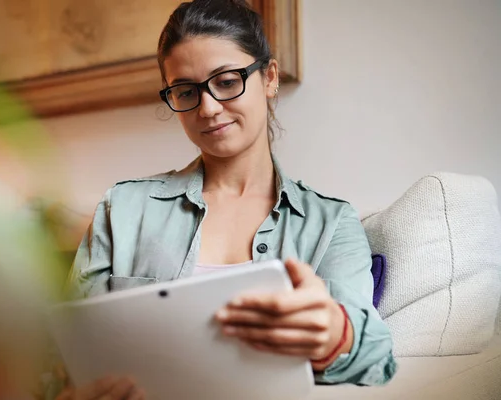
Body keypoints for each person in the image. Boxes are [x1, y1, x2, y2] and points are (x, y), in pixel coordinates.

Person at [52, 0, 397, 398]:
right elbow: (63, 354)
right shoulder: (123, 208)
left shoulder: (330, 222)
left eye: (227, 81)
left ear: (268, 77)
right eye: (186, 91)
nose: (209, 108)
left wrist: (333, 334)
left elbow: (378, 358)